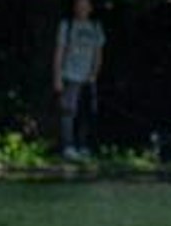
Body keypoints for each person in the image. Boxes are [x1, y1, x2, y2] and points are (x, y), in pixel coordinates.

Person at [52, 0, 106, 159]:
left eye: (85, 6)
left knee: (86, 113)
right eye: (78, 6)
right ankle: (68, 146)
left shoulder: (96, 27)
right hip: (69, 75)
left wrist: (94, 74)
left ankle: (83, 146)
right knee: (68, 112)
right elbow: (59, 51)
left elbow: (98, 53)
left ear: (90, 8)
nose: (81, 9)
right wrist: (57, 77)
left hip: (88, 78)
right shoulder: (66, 25)